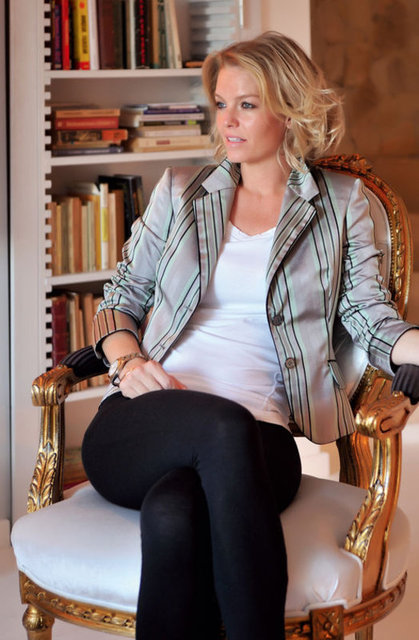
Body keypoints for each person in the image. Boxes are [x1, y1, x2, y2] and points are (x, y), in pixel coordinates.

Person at [81, 31, 419, 640]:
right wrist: (128, 364)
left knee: (174, 512)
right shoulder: (181, 191)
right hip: (145, 419)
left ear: (289, 110)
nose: (227, 121)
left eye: (246, 104)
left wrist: (412, 347)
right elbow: (120, 299)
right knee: (218, 426)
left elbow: (368, 313)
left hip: (261, 436)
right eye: (220, 103)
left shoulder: (340, 204)